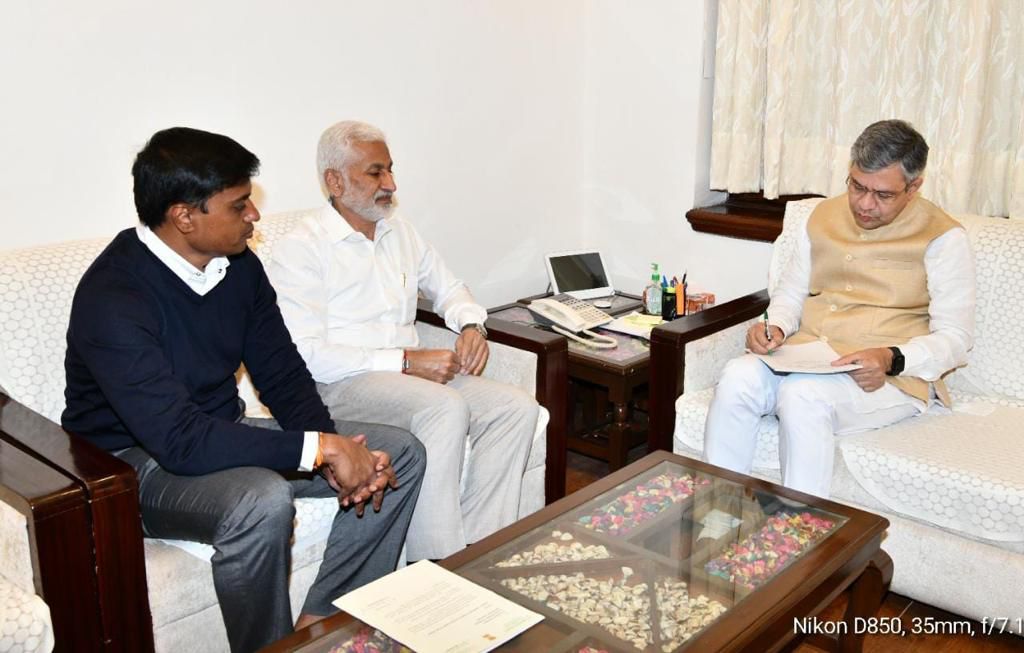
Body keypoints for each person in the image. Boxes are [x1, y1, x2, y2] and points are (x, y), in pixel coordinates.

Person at [62, 127, 426, 653]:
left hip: (215, 435)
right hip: (127, 467)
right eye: (239, 205)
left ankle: (324, 625)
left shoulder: (238, 266)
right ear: (185, 216)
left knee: (401, 453)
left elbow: (280, 372)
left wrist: (336, 445)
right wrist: (321, 449)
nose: (254, 215)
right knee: (262, 499)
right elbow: (179, 441)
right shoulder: (114, 296)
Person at [269, 120, 539, 561]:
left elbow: (450, 288)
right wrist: (405, 362)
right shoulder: (303, 248)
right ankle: (435, 563)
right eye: (375, 173)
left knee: (515, 407)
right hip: (340, 384)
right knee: (444, 406)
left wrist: (471, 325)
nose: (390, 184)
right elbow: (306, 355)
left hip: (407, 380)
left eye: (390, 170)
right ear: (334, 181)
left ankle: (482, 549)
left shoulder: (401, 232)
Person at [703, 119, 975, 498]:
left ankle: (799, 531)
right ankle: (717, 512)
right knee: (737, 376)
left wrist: (892, 358)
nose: (865, 204)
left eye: (882, 195)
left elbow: (957, 339)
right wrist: (775, 327)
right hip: (810, 357)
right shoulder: (818, 217)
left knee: (802, 395)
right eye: (857, 186)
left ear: (914, 186)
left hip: (889, 380)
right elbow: (790, 294)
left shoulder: (944, 237)